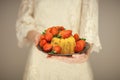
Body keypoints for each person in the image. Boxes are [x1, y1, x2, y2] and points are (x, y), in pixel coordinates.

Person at [16, 0, 102, 80]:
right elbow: (24, 21)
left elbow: (90, 23)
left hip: (74, 57)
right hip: (40, 59)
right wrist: (36, 36)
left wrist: (85, 51)